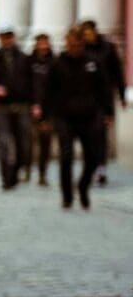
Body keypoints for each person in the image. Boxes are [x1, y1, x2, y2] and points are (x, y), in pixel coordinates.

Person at [44, 27, 111, 208]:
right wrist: (45, 117)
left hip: (89, 116)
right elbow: (48, 92)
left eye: (78, 44)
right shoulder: (58, 64)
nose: (74, 47)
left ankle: (82, 186)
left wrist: (108, 112)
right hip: (64, 117)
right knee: (66, 156)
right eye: (71, 43)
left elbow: (104, 88)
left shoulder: (93, 63)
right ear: (67, 43)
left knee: (93, 157)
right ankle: (66, 195)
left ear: (82, 44)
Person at [0, 27, 34, 189]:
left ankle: (17, 169)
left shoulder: (24, 59)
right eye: (3, 37)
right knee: (3, 142)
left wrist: (31, 101)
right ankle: (6, 176)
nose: (6, 40)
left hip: (21, 105)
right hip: (1, 107)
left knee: (22, 142)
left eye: (9, 37)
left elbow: (32, 82)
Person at [78, 20, 125, 186]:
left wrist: (122, 95)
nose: (87, 36)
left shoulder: (107, 48)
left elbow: (117, 72)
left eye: (89, 32)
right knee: (87, 135)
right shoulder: (80, 50)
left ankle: (101, 167)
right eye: (84, 33)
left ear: (95, 32)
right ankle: (90, 166)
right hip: (84, 99)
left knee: (100, 133)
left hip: (103, 98)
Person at [28, 32, 57, 186]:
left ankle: (42, 173)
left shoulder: (55, 62)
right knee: (28, 141)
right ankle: (26, 169)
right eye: (41, 43)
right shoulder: (29, 62)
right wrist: (32, 104)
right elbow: (25, 84)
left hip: (49, 109)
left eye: (46, 43)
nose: (43, 47)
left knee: (45, 142)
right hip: (30, 106)